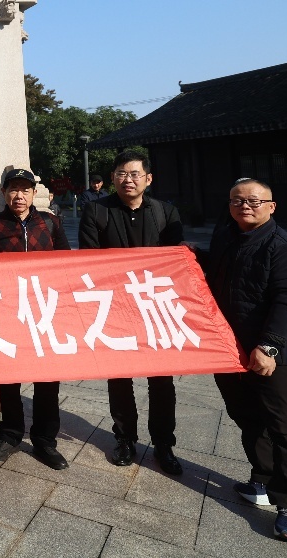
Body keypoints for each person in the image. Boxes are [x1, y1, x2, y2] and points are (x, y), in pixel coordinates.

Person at [205, 178, 287, 545]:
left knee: (285, 427)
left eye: (253, 201)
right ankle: (263, 479)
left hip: (272, 354)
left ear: (271, 206)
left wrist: (269, 346)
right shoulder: (226, 237)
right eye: (237, 201)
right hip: (229, 348)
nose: (245, 206)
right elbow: (216, 272)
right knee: (246, 416)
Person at [79, 150, 185, 475]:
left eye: (135, 174)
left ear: (148, 179)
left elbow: (175, 260)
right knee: (120, 378)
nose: (128, 179)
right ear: (113, 178)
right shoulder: (97, 210)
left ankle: (164, 444)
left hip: (155, 308)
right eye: (122, 174)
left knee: (162, 381)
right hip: (116, 309)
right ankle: (125, 439)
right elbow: (88, 260)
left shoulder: (165, 212)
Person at [0, 168, 72, 471]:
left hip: (45, 311)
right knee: (7, 379)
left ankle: (45, 439)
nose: (19, 195)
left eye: (25, 190)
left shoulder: (50, 222)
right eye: (13, 189)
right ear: (4, 192)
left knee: (48, 379)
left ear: (34, 193)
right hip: (7, 311)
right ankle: (9, 434)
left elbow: (66, 264)